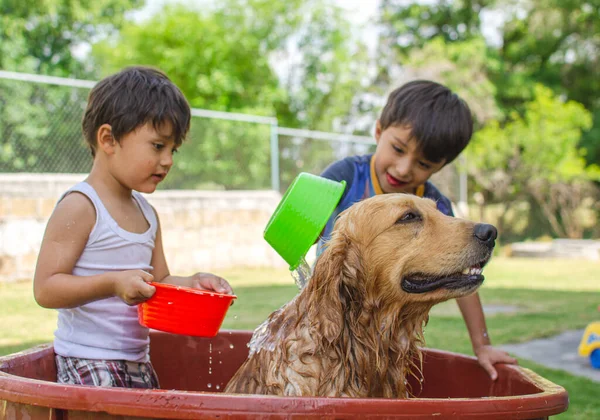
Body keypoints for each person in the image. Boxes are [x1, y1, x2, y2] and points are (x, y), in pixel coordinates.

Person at [33, 66, 233, 389]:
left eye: (173, 150)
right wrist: (112, 283)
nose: (168, 160)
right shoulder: (82, 206)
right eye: (158, 146)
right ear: (108, 139)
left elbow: (160, 281)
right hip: (88, 362)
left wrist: (194, 283)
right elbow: (45, 288)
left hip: (137, 362)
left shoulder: (148, 215)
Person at [317, 80, 517, 380]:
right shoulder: (342, 177)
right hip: (331, 317)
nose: (403, 168)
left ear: (439, 166)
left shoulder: (434, 205)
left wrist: (482, 344)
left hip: (390, 332)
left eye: (423, 163)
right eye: (397, 149)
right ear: (378, 131)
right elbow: (298, 234)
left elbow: (464, 273)